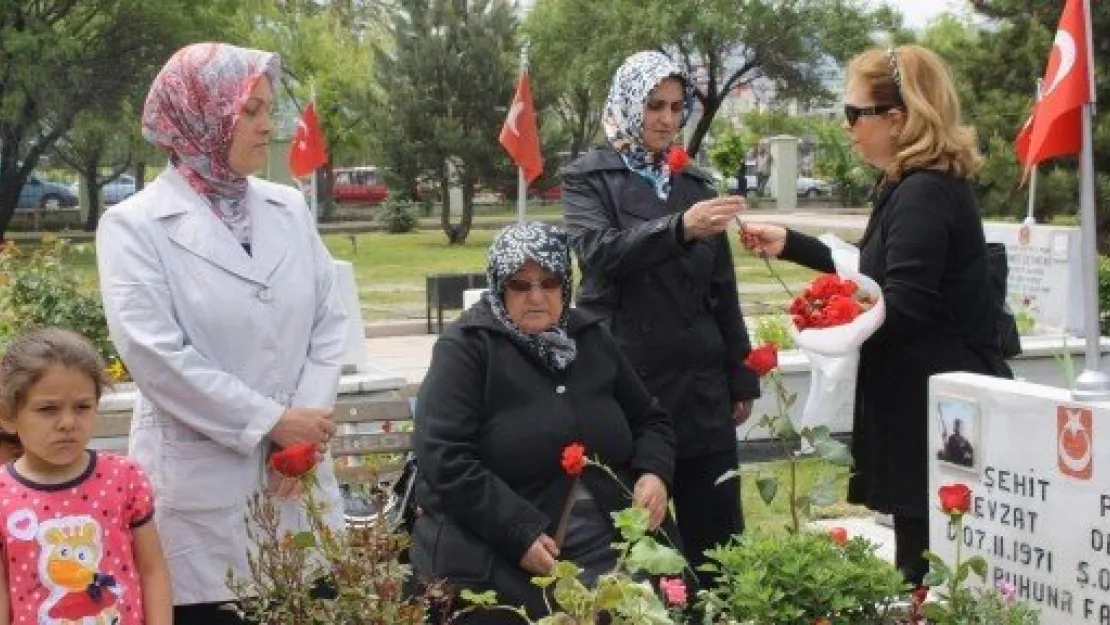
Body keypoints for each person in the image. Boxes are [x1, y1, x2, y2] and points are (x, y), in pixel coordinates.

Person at [740, 44, 1012, 586]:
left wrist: (829, 324)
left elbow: (901, 306)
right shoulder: (908, 185)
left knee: (927, 565)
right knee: (922, 550)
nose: (847, 128)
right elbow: (874, 270)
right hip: (921, 399)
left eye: (853, 113)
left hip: (930, 409)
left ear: (899, 117)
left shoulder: (924, 193)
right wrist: (791, 243)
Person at [96, 42, 348, 624]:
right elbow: (154, 356)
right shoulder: (134, 226)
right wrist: (271, 423)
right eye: (250, 112)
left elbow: (328, 320)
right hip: (204, 498)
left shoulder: (287, 207)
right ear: (199, 115)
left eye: (268, 109)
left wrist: (304, 428)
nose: (268, 127)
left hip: (298, 482)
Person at [561, 50, 759, 588]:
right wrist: (678, 230)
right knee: (645, 555)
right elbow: (598, 252)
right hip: (627, 384)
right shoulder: (587, 179)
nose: (667, 119)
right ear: (628, 105)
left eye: (676, 106)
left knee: (720, 547)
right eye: (653, 105)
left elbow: (722, 289)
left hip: (700, 390)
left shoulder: (695, 185)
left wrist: (740, 375)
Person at [411, 222, 676, 623]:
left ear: (565, 285)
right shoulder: (466, 348)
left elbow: (650, 418)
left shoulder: (589, 337)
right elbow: (444, 456)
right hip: (507, 549)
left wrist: (655, 472)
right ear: (499, 285)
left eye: (549, 283)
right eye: (520, 285)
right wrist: (517, 533)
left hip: (613, 535)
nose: (536, 297)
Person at [0, 327, 172, 625]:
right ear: (8, 416)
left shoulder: (124, 478)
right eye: (47, 409)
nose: (67, 422)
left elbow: (152, 571)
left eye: (82, 407)